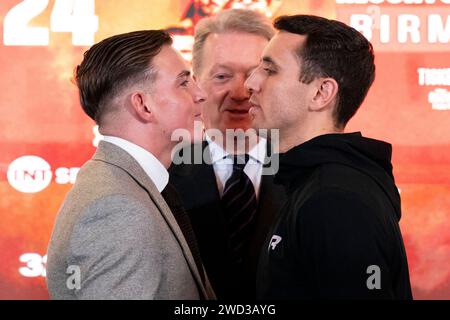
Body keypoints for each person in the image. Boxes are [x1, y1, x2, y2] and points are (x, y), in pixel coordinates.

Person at [245, 14, 413, 299]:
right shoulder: (314, 184)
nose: (250, 83)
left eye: (270, 70)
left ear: (322, 93)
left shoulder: (334, 198)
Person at [46, 30, 216, 300]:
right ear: (143, 105)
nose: (201, 94)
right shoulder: (117, 209)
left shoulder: (128, 186)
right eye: (183, 83)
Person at [169, 9, 286, 299]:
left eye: (257, 73)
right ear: (195, 84)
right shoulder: (162, 176)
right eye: (222, 76)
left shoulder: (312, 174)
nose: (241, 92)